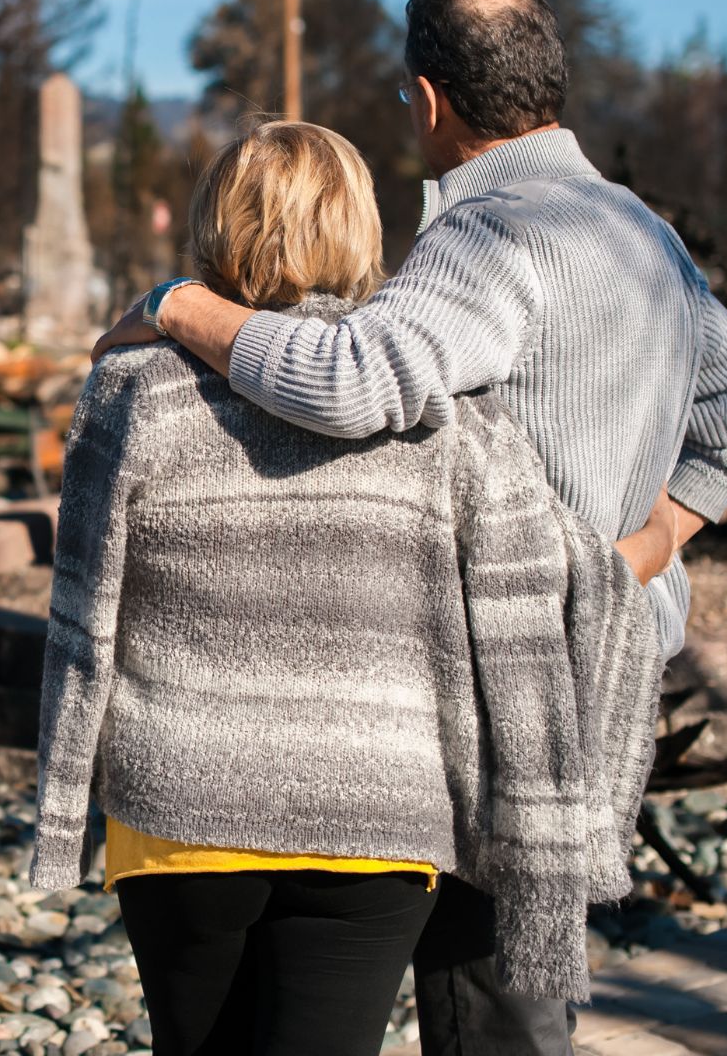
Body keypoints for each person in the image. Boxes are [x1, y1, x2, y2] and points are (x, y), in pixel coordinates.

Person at [92, 0, 727, 1054]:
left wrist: (179, 305)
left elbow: (349, 380)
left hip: (501, 679)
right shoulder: (640, 233)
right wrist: (653, 544)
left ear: (427, 98)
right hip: (605, 667)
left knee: (483, 1007)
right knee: (517, 997)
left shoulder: (491, 237)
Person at [32, 119, 664, 1056]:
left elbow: (83, 613)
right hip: (379, 814)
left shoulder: (132, 388)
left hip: (180, 807)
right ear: (362, 232)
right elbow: (543, 587)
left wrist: (59, 806)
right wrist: (658, 538)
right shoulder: (439, 417)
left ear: (213, 227)